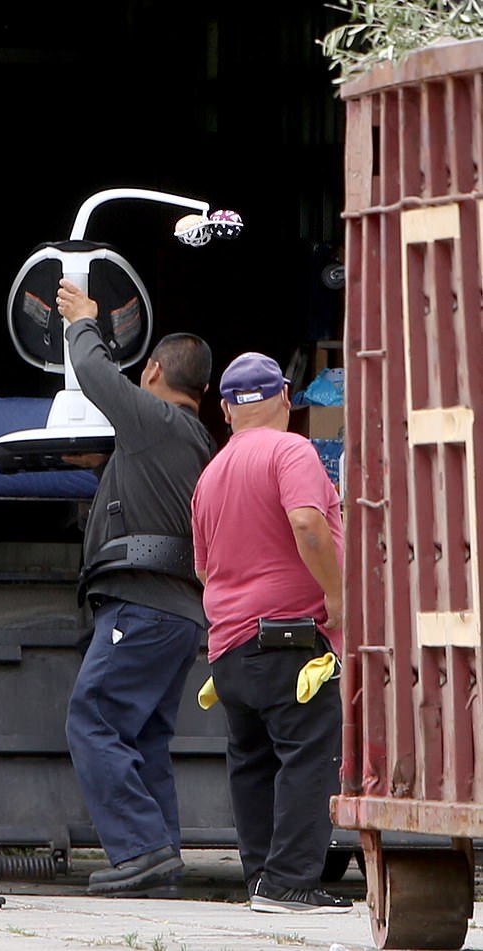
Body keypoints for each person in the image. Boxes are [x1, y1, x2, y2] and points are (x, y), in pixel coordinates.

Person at [56, 278, 214, 897]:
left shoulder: (155, 422)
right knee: (143, 735)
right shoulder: (192, 439)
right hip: (177, 613)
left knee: (91, 719)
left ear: (152, 372)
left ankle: (142, 849)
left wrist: (83, 322)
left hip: (144, 606)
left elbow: (96, 375)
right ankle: (160, 860)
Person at [190, 351, 352, 915]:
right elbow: (306, 523)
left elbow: (204, 570)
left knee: (253, 761)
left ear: (228, 410)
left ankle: (262, 879)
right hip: (290, 642)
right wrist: (335, 593)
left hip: (229, 648)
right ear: (285, 397)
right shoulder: (292, 450)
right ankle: (291, 883)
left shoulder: (210, 475)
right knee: (308, 755)